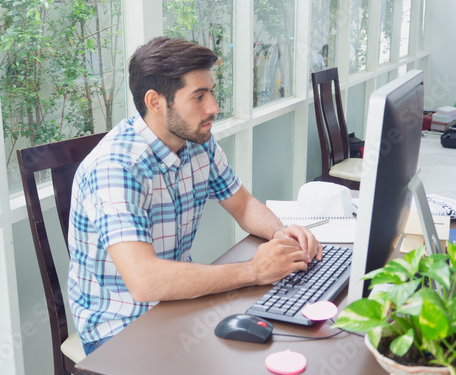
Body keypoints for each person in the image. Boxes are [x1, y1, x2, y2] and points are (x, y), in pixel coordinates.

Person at [68, 36, 323, 355]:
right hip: (120, 326)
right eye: (198, 96)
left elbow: (242, 204)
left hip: (177, 302)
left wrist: (280, 233)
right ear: (156, 102)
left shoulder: (198, 141)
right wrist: (253, 271)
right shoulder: (116, 169)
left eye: (211, 92)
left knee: (277, 341)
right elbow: (145, 281)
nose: (213, 107)